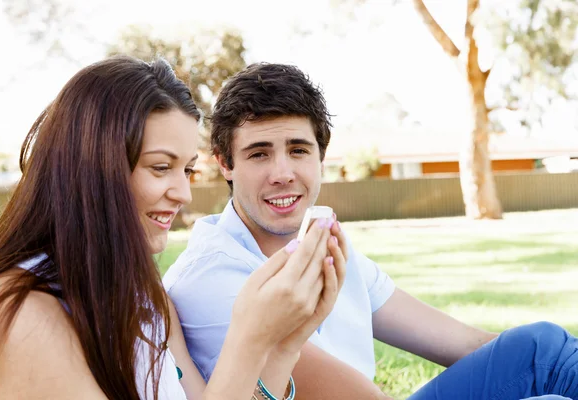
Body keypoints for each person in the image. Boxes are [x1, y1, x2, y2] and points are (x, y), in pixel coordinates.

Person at [163, 62, 578, 400]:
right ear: (225, 163)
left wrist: (527, 372)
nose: (282, 174)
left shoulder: (317, 241)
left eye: (298, 150)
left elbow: (466, 345)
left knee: (541, 348)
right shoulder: (212, 277)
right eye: (259, 155)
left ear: (321, 156)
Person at [0, 55, 348, 400]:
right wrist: (247, 338)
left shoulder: (145, 297)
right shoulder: (20, 314)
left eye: (186, 170)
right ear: (91, 169)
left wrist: (284, 344)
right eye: (160, 167)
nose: (183, 194)